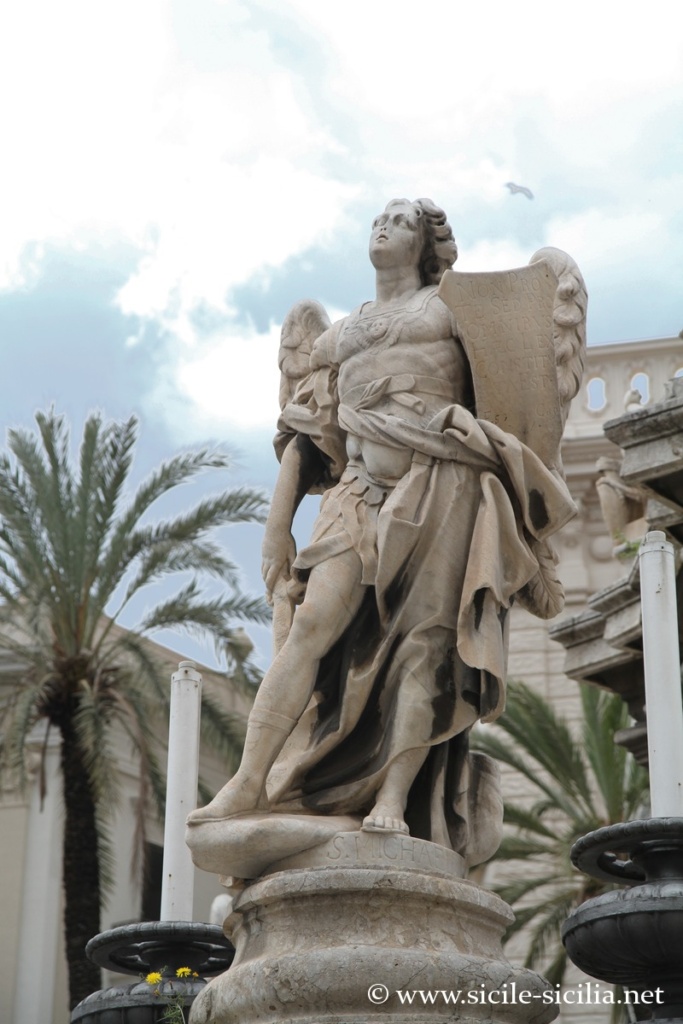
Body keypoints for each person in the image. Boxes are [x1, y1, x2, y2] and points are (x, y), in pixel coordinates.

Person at [188, 199, 577, 857]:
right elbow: (306, 437)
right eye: (379, 216)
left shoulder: (452, 308)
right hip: (356, 492)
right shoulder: (334, 337)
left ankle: (394, 797)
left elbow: (517, 383)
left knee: (424, 646)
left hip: (440, 484)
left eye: (400, 219)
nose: (383, 223)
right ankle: (248, 782)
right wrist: (275, 528)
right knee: (311, 628)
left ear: (427, 243)